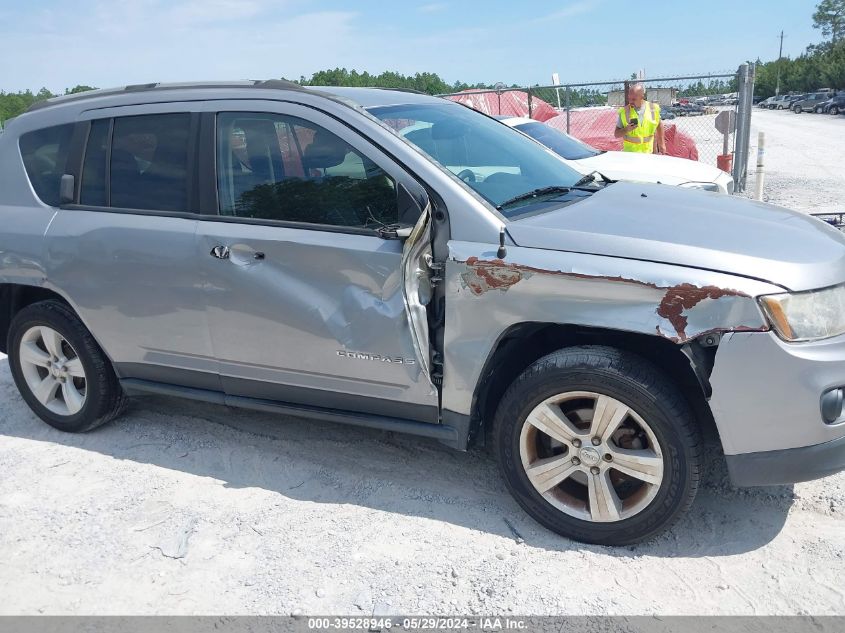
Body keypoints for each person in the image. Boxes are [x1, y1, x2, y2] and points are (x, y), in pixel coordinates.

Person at [614, 83, 666, 154]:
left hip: (648, 153)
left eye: (634, 99)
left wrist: (662, 144)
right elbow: (616, 134)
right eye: (629, 99)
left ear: (642, 97)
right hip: (630, 155)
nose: (631, 101)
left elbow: (659, 126)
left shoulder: (653, 109)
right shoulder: (624, 112)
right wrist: (626, 129)